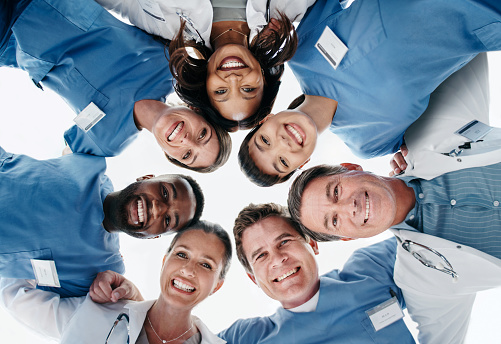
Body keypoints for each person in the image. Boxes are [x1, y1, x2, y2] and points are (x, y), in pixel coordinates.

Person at [286, 54, 501, 344]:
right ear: (347, 238)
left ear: (350, 169)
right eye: (334, 220)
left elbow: (464, 36)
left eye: (336, 192)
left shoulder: (428, 127)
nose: (348, 207)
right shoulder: (421, 282)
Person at [238, 0, 501, 185]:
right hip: (488, 18)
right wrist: (413, 165)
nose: (282, 144)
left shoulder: (301, 52)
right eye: (283, 162)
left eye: (265, 141)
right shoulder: (370, 143)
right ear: (303, 165)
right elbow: (439, 133)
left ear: (265, 119)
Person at [1, 0, 230, 172]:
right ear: (198, 111)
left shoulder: (107, 142)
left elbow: (67, 166)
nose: (186, 140)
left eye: (188, 155)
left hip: (9, 43)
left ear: (170, 156)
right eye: (202, 134)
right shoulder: (169, 63)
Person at [0, 145, 204, 298]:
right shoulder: (91, 160)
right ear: (145, 177)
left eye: (168, 220)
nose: (158, 208)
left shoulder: (104, 269)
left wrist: (134, 297)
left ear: (155, 236)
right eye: (165, 192)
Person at [95, 0, 316, 131]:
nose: (233, 80)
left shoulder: (169, 28)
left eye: (221, 92)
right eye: (248, 89)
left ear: (205, 84)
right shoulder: (289, 8)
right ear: (264, 77)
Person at [0, 221, 231, 343]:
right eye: (181, 254)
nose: (188, 270)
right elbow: (16, 292)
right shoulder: (97, 310)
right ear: (164, 261)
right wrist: (56, 242)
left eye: (206, 265)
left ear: (217, 286)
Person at [219, 203, 415, 343]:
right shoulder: (246, 338)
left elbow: (426, 229)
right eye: (261, 255)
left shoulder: (371, 270)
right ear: (254, 279)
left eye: (284, 242)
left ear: (312, 244)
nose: (278, 259)